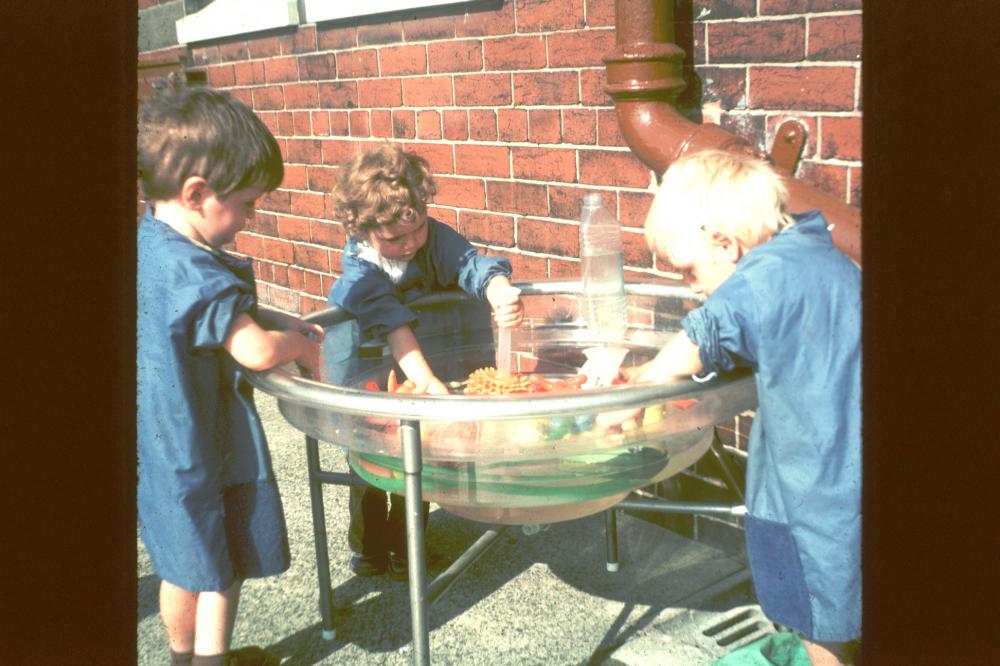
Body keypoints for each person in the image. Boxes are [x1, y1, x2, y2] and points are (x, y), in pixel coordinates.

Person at [603, 150, 861, 665]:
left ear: (725, 242)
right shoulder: (823, 260)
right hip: (852, 477)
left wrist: (644, 385)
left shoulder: (762, 275)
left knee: (819, 617)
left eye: (688, 270)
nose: (692, 287)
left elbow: (713, 325)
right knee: (848, 601)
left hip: (817, 494)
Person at [137, 79, 323, 666]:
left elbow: (202, 320)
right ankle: (214, 661)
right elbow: (256, 351)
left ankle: (179, 658)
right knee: (220, 567)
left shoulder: (149, 244)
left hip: (159, 445)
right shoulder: (199, 272)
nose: (250, 216)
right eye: (246, 204)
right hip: (203, 445)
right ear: (198, 193)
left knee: (178, 562)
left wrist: (273, 317)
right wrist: (300, 340)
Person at [323, 144, 523, 578]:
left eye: (417, 229)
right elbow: (394, 324)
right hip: (370, 370)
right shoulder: (361, 269)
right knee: (372, 459)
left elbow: (469, 263)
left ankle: (409, 546)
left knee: (423, 455)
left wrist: (498, 289)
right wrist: (428, 382)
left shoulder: (430, 237)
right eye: (395, 238)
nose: (411, 243)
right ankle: (370, 547)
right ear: (361, 230)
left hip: (419, 360)